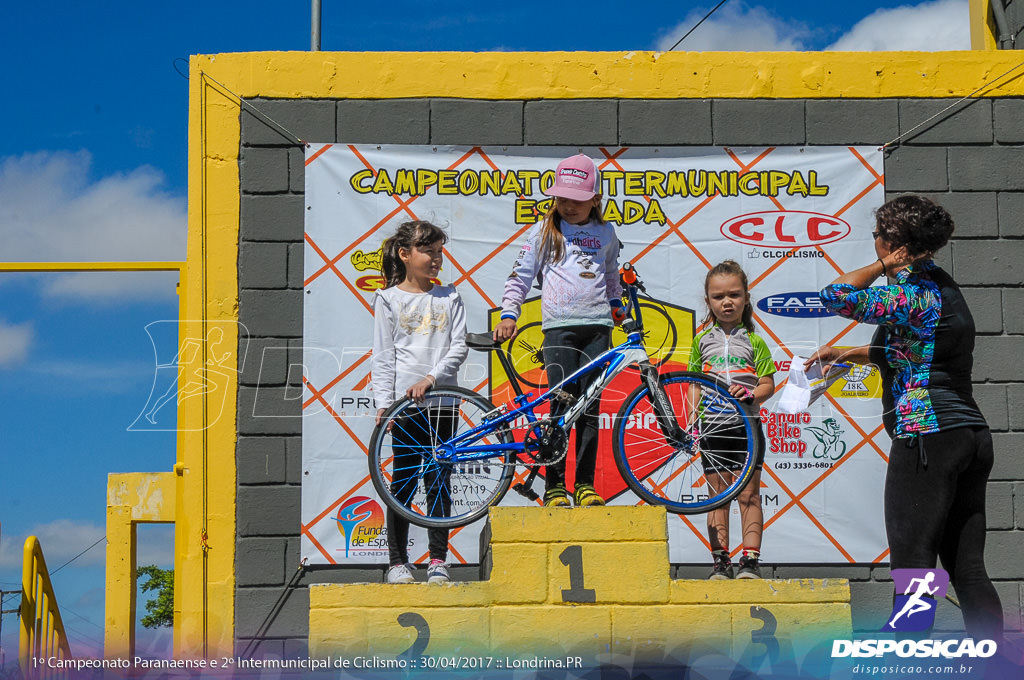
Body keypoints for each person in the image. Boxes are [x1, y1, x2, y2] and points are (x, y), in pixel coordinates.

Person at [807, 195, 1002, 639]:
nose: (873, 240)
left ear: (896, 243)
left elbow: (834, 296)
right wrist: (849, 353)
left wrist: (882, 265)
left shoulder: (909, 292)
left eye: (878, 235)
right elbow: (915, 350)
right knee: (968, 569)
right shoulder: (941, 286)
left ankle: (908, 660)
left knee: (913, 567)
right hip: (969, 433)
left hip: (926, 435)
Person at [493, 154, 622, 507]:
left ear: (595, 198)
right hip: (559, 330)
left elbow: (611, 277)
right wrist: (509, 314)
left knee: (590, 408)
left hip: (598, 329)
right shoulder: (544, 230)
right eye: (562, 198)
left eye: (577, 199)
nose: (568, 206)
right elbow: (519, 275)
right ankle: (553, 487)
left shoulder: (606, 232)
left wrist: (618, 308)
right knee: (560, 407)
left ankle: (584, 485)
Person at [372, 220, 467, 584]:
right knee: (404, 483)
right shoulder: (388, 299)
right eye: (428, 251)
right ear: (405, 254)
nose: (435, 259)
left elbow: (458, 347)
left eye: (439, 252)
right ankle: (398, 562)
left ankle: (438, 560)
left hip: (443, 402)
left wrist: (431, 379)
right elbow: (382, 356)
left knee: (440, 477)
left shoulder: (450, 296)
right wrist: (385, 403)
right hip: (405, 406)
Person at [689, 260, 776, 579]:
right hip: (712, 428)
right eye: (718, 297)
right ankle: (721, 562)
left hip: (746, 428)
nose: (727, 302)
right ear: (708, 301)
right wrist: (691, 422)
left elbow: (768, 383)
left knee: (749, 495)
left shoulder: (755, 341)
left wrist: (753, 396)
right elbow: (694, 384)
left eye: (734, 295)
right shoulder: (700, 342)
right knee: (718, 497)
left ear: (746, 298)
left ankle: (750, 561)